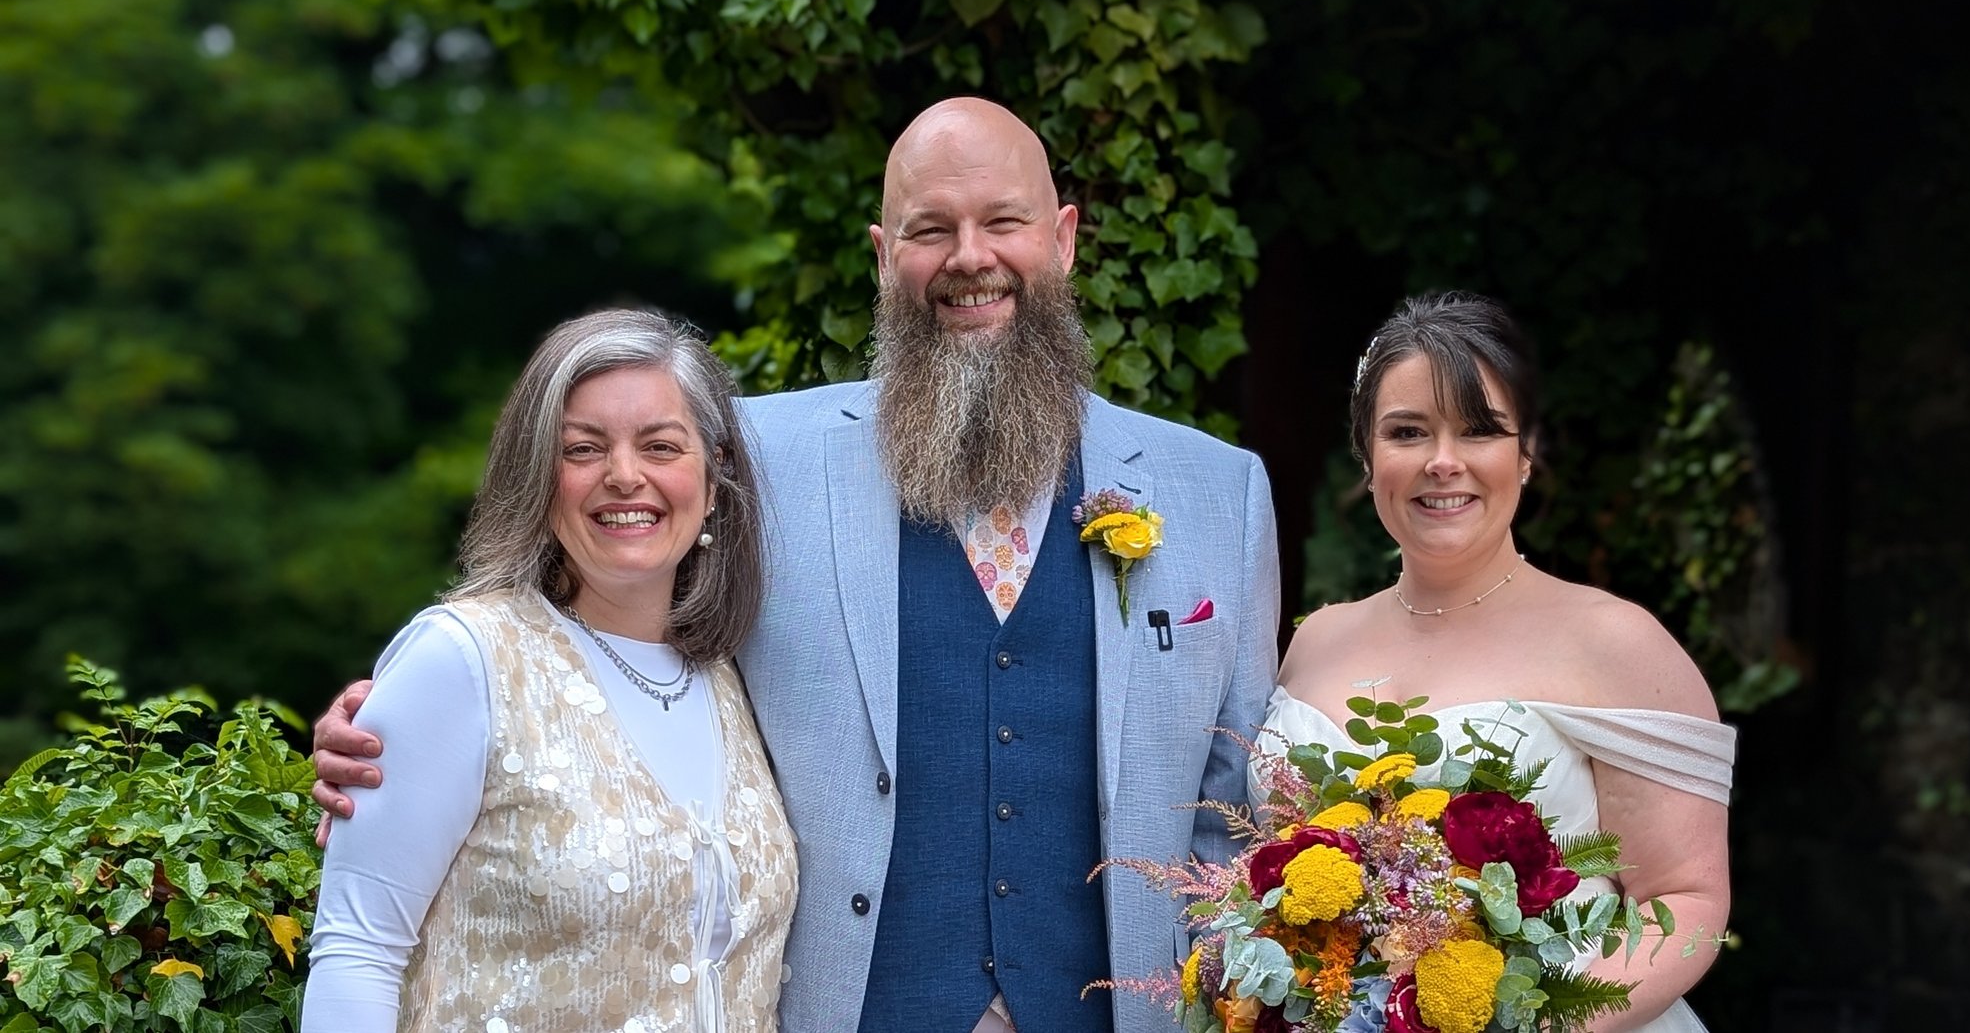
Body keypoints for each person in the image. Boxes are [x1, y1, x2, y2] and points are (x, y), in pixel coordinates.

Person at [312, 98, 1282, 1033]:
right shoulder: (755, 458)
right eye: (930, 229)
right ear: (883, 255)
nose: (969, 257)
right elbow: (585, 622)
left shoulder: (1218, 495)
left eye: (1003, 221)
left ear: (1063, 238)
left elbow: (1230, 820)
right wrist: (413, 718)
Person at [301, 309, 797, 1033]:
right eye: (582, 449)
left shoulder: (738, 673)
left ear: (714, 477)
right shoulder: (464, 659)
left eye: (661, 446)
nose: (624, 476)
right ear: (538, 474)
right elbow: (359, 950)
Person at [1262, 291, 1734, 1032]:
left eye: (1480, 430)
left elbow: (1689, 903)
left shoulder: (1616, 641)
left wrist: (1541, 1025)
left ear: (1527, 452)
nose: (1443, 462)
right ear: (1368, 456)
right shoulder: (1316, 638)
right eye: (1408, 432)